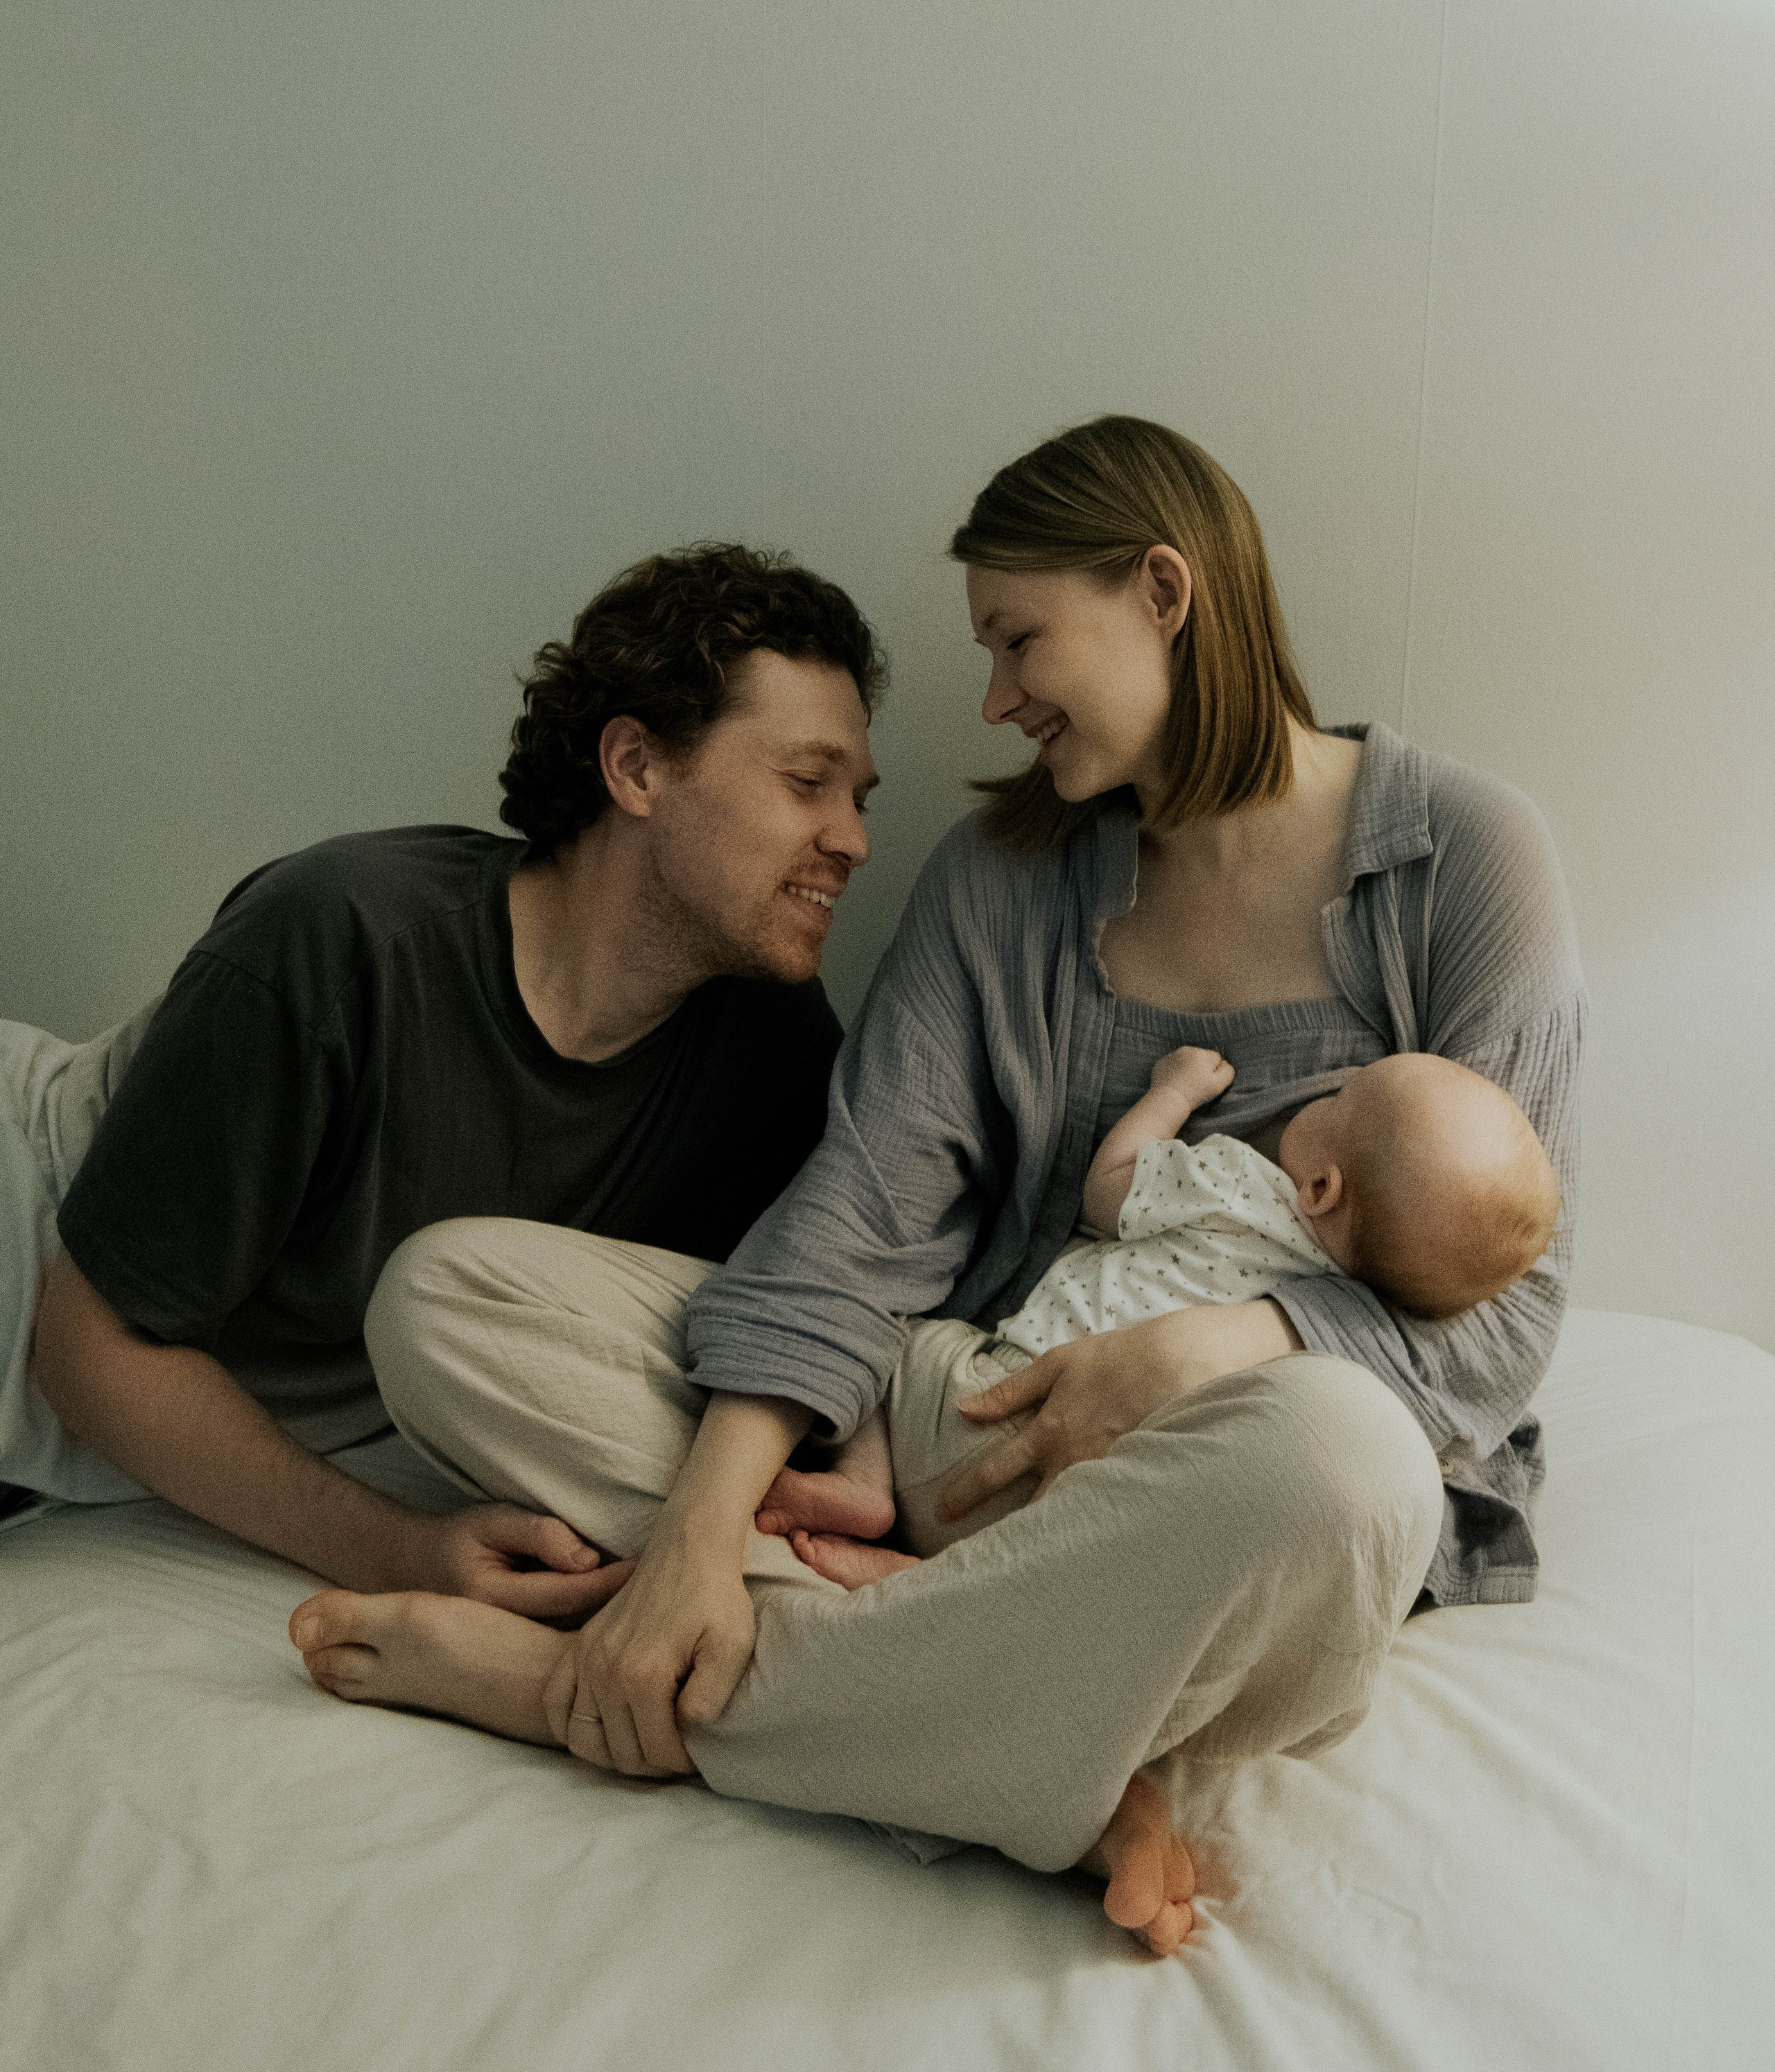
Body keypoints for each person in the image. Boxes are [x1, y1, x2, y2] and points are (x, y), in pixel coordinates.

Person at [287, 415, 1584, 1962]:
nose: (996, 696)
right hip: (951, 1424)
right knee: (447, 1299)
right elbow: (865, 1201)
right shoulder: (1000, 881)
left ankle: (608, 1698)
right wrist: (704, 1522)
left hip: (1221, 1488)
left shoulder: (1460, 859)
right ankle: (1014, 1734)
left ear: (1162, 593)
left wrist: (1209, 1349)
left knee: (1347, 1472)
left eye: (1020, 637)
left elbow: (1506, 1322)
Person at [6, 544, 883, 1612]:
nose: (854, 840)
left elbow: (829, 1306)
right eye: (807, 783)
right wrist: (400, 1554)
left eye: (859, 798)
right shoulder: (343, 938)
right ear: (638, 768)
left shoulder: (768, 1047)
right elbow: (88, 1346)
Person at [755, 1041, 1561, 1585]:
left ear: (1320, 1189)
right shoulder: (1340, 1356)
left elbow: (1110, 1189)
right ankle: (929, 1584)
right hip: (1082, 1519)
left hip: (985, 1407)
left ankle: (866, 1484)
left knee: (905, 1330)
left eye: (1341, 1100)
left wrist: (1171, 1094)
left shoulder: (1238, 1187)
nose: (1320, 1094)